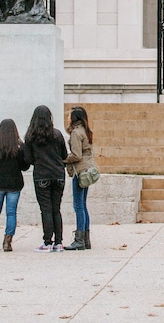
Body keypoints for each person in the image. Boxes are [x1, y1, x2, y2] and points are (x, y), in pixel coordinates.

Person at [22, 105, 68, 252]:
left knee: (46, 210)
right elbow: (64, 156)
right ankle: (59, 242)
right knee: (56, 209)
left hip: (41, 175)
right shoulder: (57, 135)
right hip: (58, 174)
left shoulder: (30, 137)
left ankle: (47, 242)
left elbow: (28, 159)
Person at [0, 118, 31, 252]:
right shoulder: (20, 146)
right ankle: (7, 242)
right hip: (14, 184)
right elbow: (25, 166)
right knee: (11, 213)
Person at [63, 106, 96, 251]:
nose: (67, 118)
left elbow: (76, 155)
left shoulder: (76, 133)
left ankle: (79, 239)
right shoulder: (85, 131)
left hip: (79, 171)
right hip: (87, 170)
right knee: (83, 205)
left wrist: (63, 159)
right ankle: (86, 238)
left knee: (78, 206)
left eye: (69, 115)